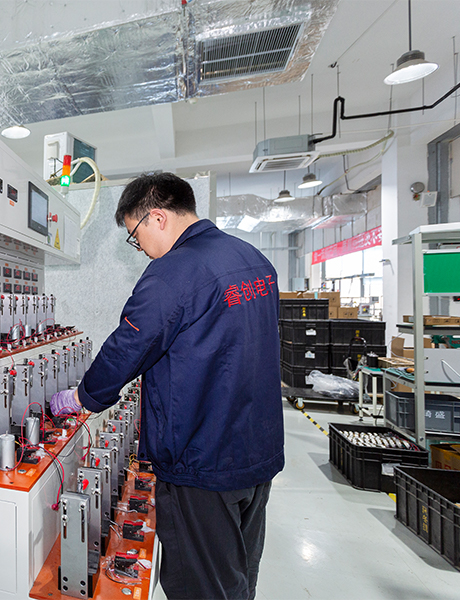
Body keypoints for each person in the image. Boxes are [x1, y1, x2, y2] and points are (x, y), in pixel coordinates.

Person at [50, 172, 284, 600]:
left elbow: (129, 345)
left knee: (199, 585)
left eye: (135, 236)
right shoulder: (253, 260)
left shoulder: (174, 271)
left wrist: (83, 397)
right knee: (237, 574)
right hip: (256, 451)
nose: (140, 248)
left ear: (157, 217)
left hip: (202, 459)